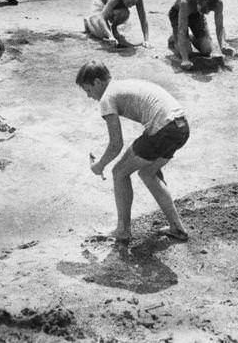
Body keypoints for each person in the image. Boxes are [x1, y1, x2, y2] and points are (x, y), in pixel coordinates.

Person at [76, 61, 190, 242]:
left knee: (119, 172)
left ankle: (122, 230)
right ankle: (177, 228)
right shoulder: (121, 85)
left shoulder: (107, 97)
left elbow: (116, 144)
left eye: (88, 90)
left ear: (97, 82)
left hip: (164, 128)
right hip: (181, 127)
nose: (89, 96)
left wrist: (100, 165)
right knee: (148, 173)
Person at [167, 0, 234, 70]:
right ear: (198, 2)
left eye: (208, 10)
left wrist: (223, 45)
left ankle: (189, 38)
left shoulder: (218, 3)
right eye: (204, 10)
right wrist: (185, 59)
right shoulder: (186, 2)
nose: (207, 13)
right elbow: (182, 30)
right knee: (186, 53)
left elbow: (219, 26)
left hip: (197, 15)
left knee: (207, 49)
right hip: (177, 13)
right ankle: (174, 40)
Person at [83, 0, 150, 48]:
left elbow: (143, 19)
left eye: (133, 3)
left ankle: (114, 29)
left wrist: (146, 40)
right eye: (128, 2)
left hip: (114, 8)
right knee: (102, 34)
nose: (131, 5)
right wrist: (110, 36)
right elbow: (102, 18)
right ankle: (89, 21)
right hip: (101, 4)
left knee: (124, 13)